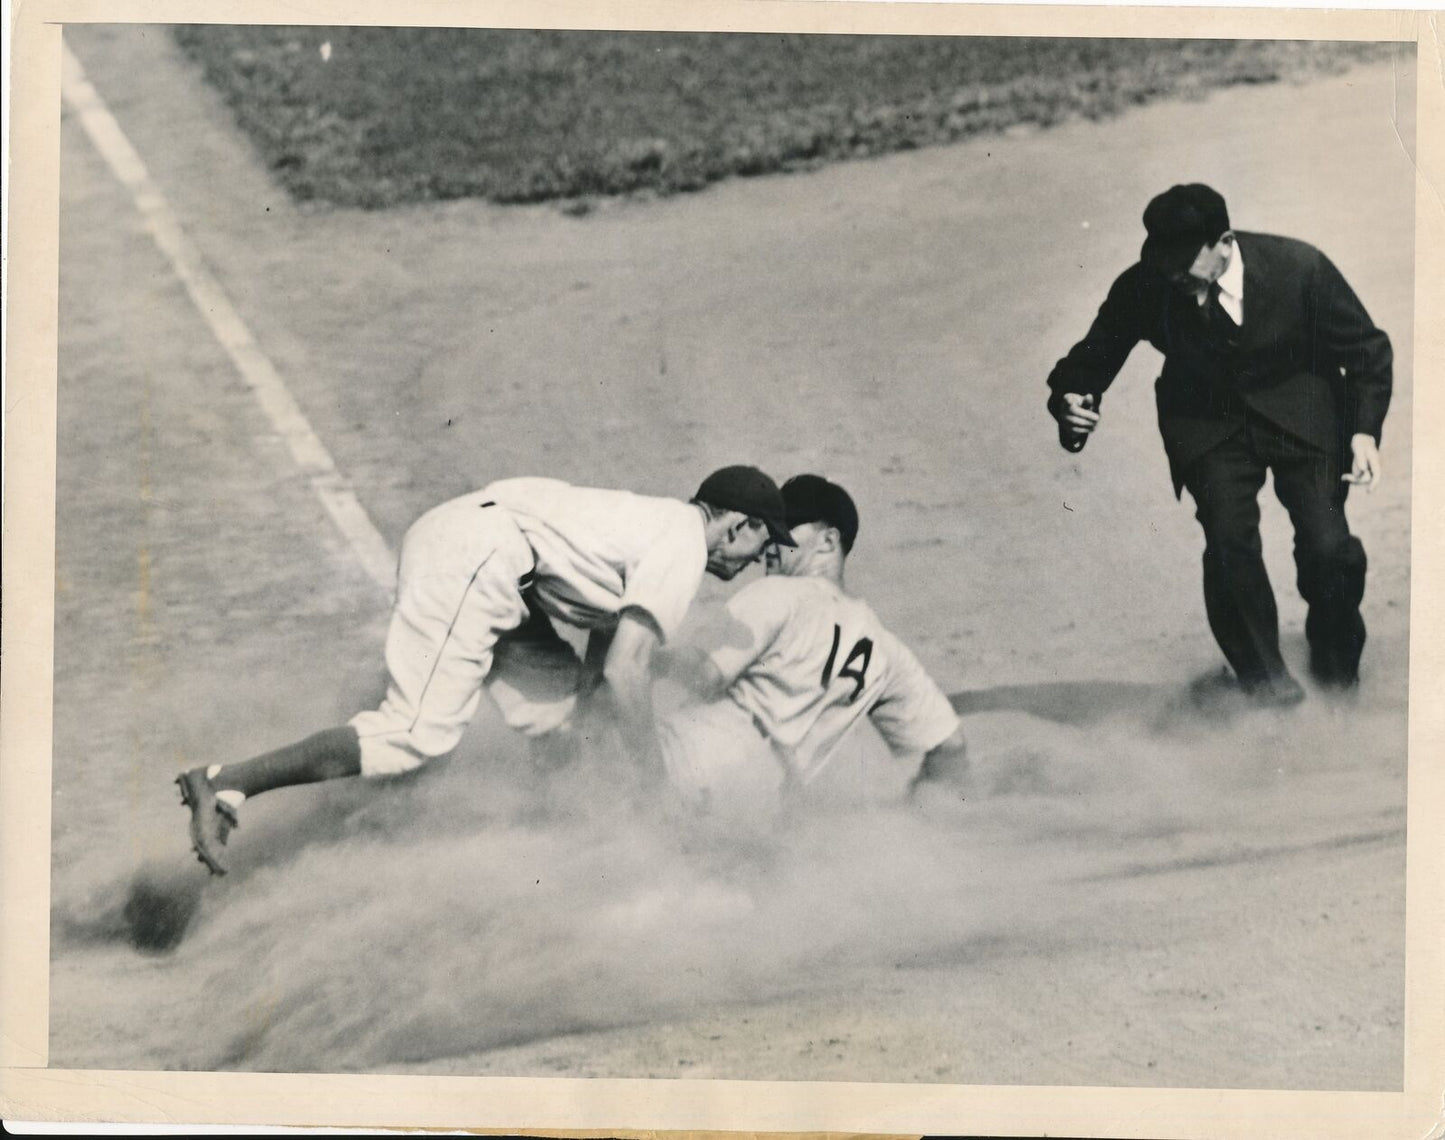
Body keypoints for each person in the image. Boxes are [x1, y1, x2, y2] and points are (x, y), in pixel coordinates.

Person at [176, 465, 795, 874]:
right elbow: (627, 674)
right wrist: (657, 792)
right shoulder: (683, 546)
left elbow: (600, 668)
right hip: (476, 556)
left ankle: (556, 868)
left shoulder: (651, 526)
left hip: (492, 559)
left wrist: (590, 755)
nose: (758, 560)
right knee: (416, 733)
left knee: (564, 738)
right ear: (738, 524)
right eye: (762, 545)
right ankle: (227, 781)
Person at [1046, 183, 1392, 708]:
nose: (1171, 275)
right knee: (1229, 542)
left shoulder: (1298, 268)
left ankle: (1337, 670)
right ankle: (1266, 686)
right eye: (1162, 260)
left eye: (1185, 262)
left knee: (1329, 549)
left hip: (1301, 410)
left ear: (1225, 242)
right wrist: (1071, 400)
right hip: (1207, 420)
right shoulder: (1149, 284)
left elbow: (1367, 350)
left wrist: (1365, 432)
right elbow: (1091, 359)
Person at [655, 474, 968, 818]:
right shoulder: (887, 652)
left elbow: (704, 674)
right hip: (759, 808)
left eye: (786, 529)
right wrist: (913, 816)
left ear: (828, 541)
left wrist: (648, 658)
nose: (770, 542)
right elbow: (950, 748)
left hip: (692, 762)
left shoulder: (778, 594)